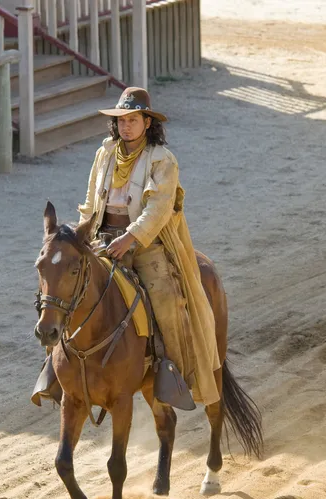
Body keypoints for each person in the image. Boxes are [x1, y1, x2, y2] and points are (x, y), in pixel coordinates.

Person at [75, 87, 221, 406]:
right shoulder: (105, 154)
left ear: (147, 122)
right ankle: (58, 370)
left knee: (167, 302)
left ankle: (172, 373)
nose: (126, 126)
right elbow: (90, 202)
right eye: (122, 120)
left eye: (133, 119)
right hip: (101, 239)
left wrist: (129, 237)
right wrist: (80, 234)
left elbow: (159, 208)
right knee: (63, 291)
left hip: (145, 244)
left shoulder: (162, 159)